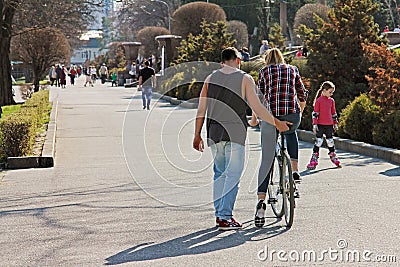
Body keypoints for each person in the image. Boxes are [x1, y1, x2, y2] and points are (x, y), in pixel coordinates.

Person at [193, 47, 291, 230]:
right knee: (233, 175)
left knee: (219, 174)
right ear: (238, 60)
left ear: (222, 62)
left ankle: (219, 214)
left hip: (214, 133)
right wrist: (276, 122)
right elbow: (258, 108)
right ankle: (225, 216)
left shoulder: (210, 79)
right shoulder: (245, 78)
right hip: (234, 133)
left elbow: (201, 110)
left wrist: (196, 134)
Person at [250, 47, 308, 227]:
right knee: (291, 132)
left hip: (270, 117)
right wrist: (299, 112)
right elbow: (302, 94)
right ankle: (295, 170)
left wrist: (254, 120)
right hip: (292, 115)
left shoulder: (264, 72)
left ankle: (261, 203)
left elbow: (258, 99)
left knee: (267, 159)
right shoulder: (292, 69)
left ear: (266, 60)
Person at [307, 81, 341, 170]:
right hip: (320, 125)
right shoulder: (319, 101)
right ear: (324, 90)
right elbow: (315, 113)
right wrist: (314, 124)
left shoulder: (331, 101)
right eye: (330, 92)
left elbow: (333, 112)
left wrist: (335, 123)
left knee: (330, 141)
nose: (331, 94)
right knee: (319, 141)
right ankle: (314, 158)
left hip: (329, 124)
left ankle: (333, 155)